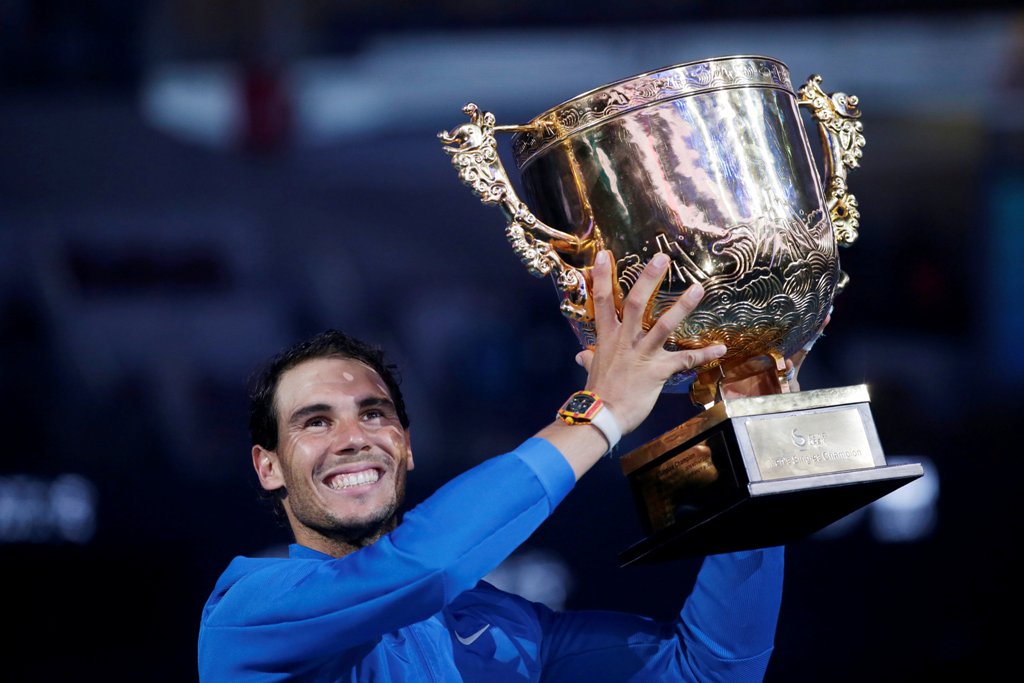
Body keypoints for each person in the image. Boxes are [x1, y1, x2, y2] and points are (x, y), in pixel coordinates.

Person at [198, 251, 812, 681]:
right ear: (268, 468)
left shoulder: (495, 626)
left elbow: (707, 671)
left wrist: (751, 445)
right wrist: (598, 415)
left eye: (374, 414)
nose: (353, 438)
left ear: (406, 447)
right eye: (315, 422)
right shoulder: (249, 617)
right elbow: (425, 566)